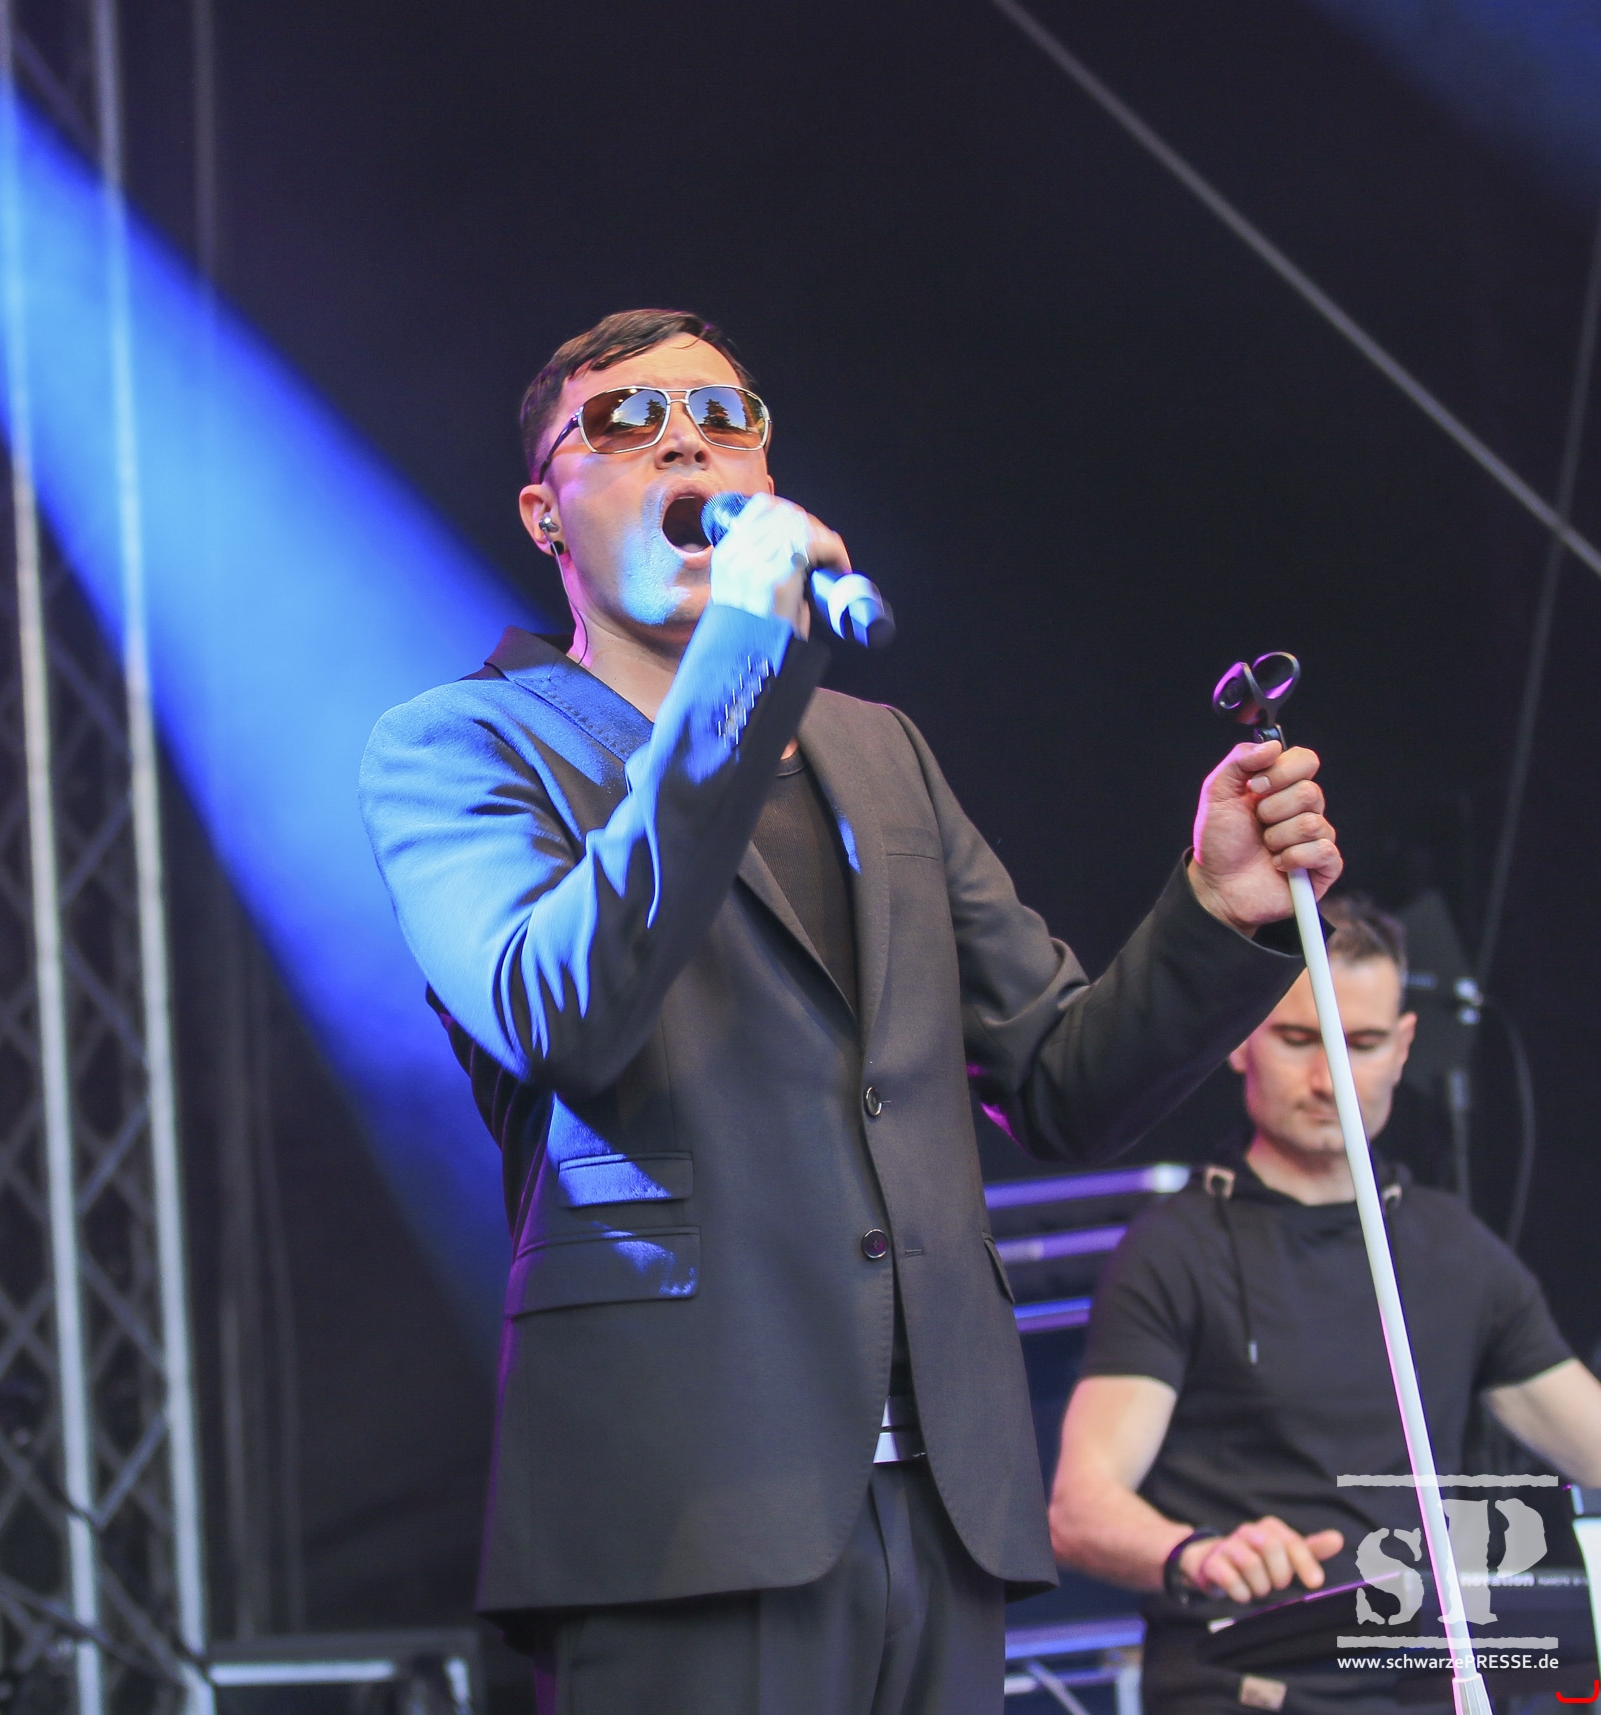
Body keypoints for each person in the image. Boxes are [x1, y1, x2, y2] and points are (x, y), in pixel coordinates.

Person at [357, 308, 1343, 1713]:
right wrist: (740, 670)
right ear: (544, 514)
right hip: (686, 1503)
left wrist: (1218, 907)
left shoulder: (877, 751)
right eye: (626, 421)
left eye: (724, 415)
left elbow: (1060, 1079)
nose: (685, 438)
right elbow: (562, 1009)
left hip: (942, 1499)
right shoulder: (460, 744)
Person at [1049, 897, 1601, 1713]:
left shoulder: (1454, 1248)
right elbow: (1079, 1507)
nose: (1327, 1078)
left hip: (1428, 1690)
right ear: (1239, 1037)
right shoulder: (1173, 1252)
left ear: (1403, 1047)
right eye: (1298, 1038)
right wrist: (1196, 1552)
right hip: (1246, 1689)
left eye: (1361, 1044)